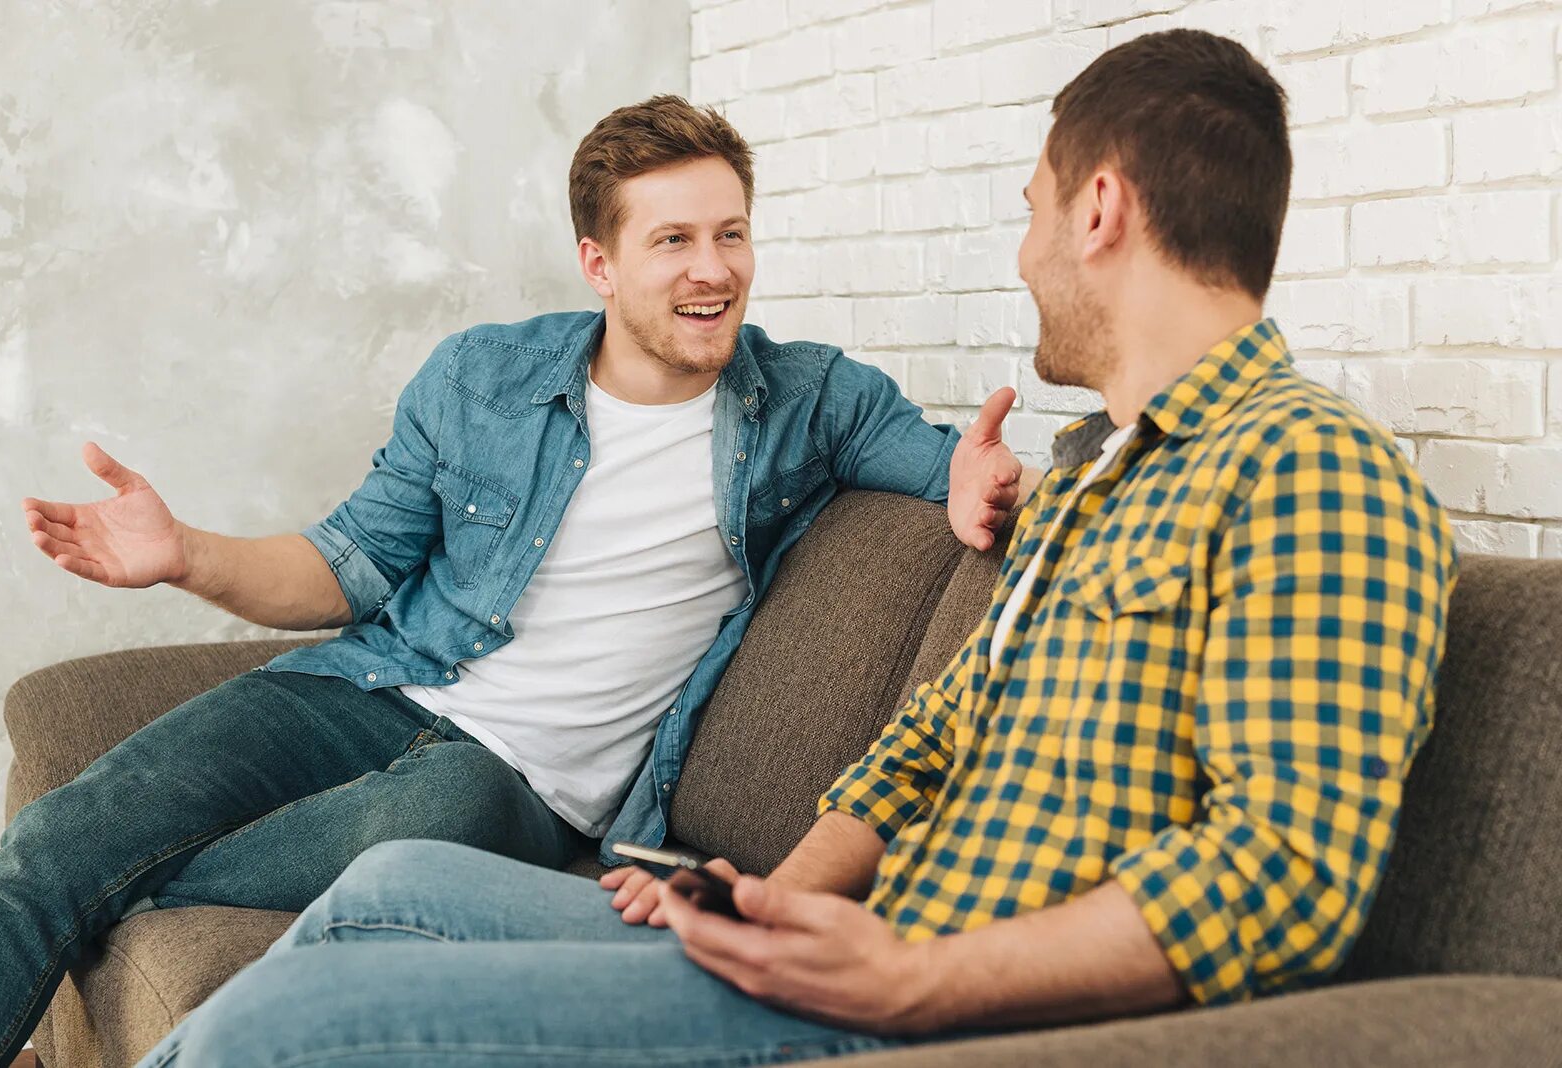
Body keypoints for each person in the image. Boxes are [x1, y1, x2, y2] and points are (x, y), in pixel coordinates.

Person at [138, 28, 1458, 1068]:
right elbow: (924, 746)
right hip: (852, 946)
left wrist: (909, 976)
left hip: (937, 1010)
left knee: (275, 1034)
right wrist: (760, 898)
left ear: (1100, 209)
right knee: (398, 886)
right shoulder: (1094, 485)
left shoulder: (1310, 470)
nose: (1026, 249)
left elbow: (1282, 873)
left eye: (1033, 209)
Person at [0, 95, 1029, 1068]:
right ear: (598, 263)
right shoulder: (483, 377)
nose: (713, 269)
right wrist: (186, 554)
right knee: (62, 832)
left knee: (399, 826)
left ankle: (99, 900)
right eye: (673, 240)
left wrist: (980, 477)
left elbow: (947, 464)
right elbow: (350, 568)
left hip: (521, 785)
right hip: (369, 686)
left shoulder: (811, 399)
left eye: (730, 232)